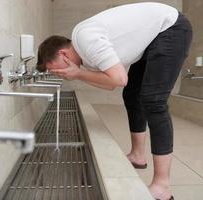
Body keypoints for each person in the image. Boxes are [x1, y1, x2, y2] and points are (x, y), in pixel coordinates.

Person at [36, 2, 192, 200]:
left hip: (170, 27)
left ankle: (162, 186)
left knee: (154, 101)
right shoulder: (85, 53)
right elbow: (111, 84)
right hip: (154, 37)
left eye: (54, 68)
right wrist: (79, 73)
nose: (58, 73)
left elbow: (119, 79)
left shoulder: (86, 41)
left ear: (63, 54)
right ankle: (137, 155)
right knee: (131, 94)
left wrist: (77, 74)